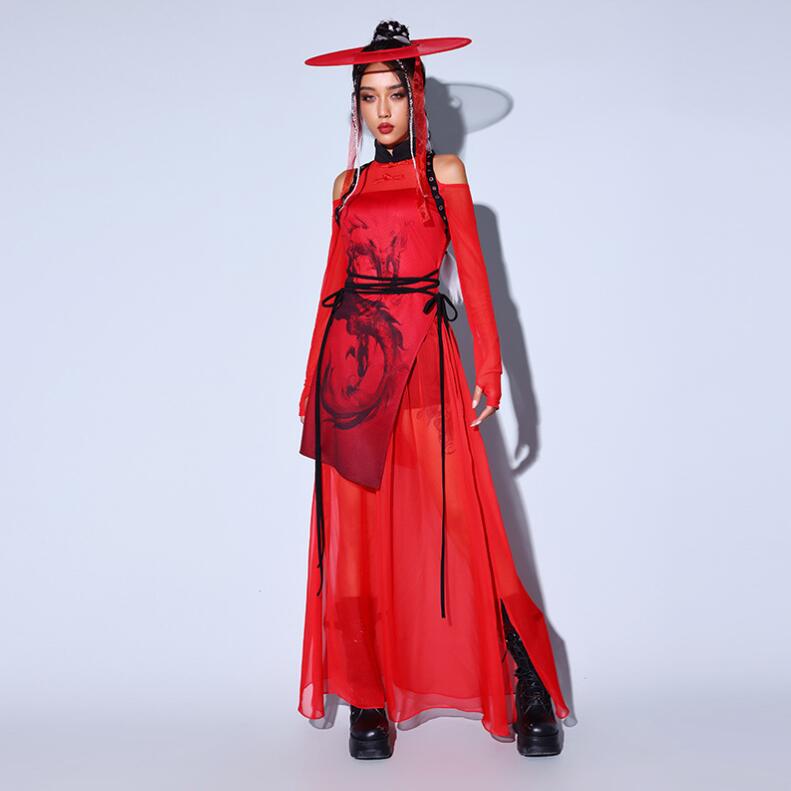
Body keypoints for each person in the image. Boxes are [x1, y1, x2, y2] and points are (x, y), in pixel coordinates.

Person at [297, 20, 571, 760]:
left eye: (393, 94)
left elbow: (475, 278)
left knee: (466, 527)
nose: (381, 111)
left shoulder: (440, 173)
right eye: (367, 97)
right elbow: (331, 287)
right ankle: (367, 697)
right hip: (350, 374)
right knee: (355, 542)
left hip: (423, 362)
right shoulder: (346, 186)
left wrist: (491, 370)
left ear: (415, 98)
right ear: (355, 106)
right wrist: (310, 381)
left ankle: (527, 682)